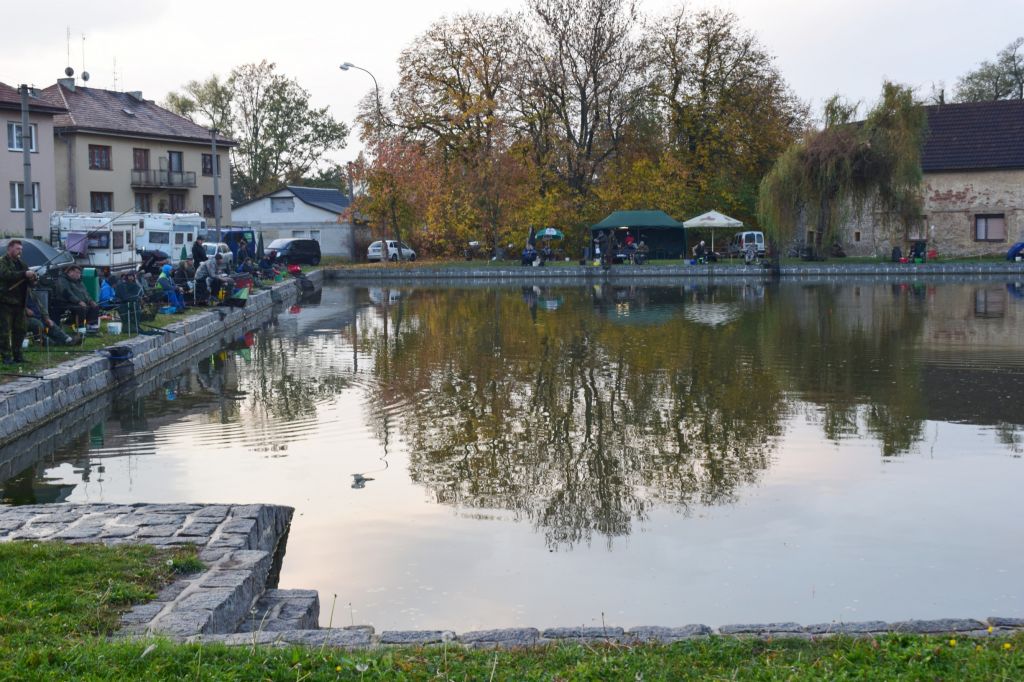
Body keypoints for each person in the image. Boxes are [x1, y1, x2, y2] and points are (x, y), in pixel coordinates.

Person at [0, 239, 38, 364]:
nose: (20, 251)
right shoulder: (2, 261)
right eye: (17, 249)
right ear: (10, 248)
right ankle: (6, 357)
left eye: (21, 249)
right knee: (4, 331)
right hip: (5, 301)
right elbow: (6, 275)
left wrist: (33, 278)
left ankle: (18, 355)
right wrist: (24, 274)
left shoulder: (22, 264)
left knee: (20, 330)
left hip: (20, 302)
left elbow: (29, 283)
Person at [52, 264, 100, 331]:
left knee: (95, 307)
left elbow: (85, 293)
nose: (79, 274)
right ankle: (80, 328)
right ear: (70, 272)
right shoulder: (62, 280)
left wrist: (90, 301)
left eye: (79, 273)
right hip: (64, 303)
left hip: (77, 302)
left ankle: (91, 326)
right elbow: (66, 293)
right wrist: (78, 301)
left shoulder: (79, 281)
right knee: (81, 308)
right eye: (77, 272)